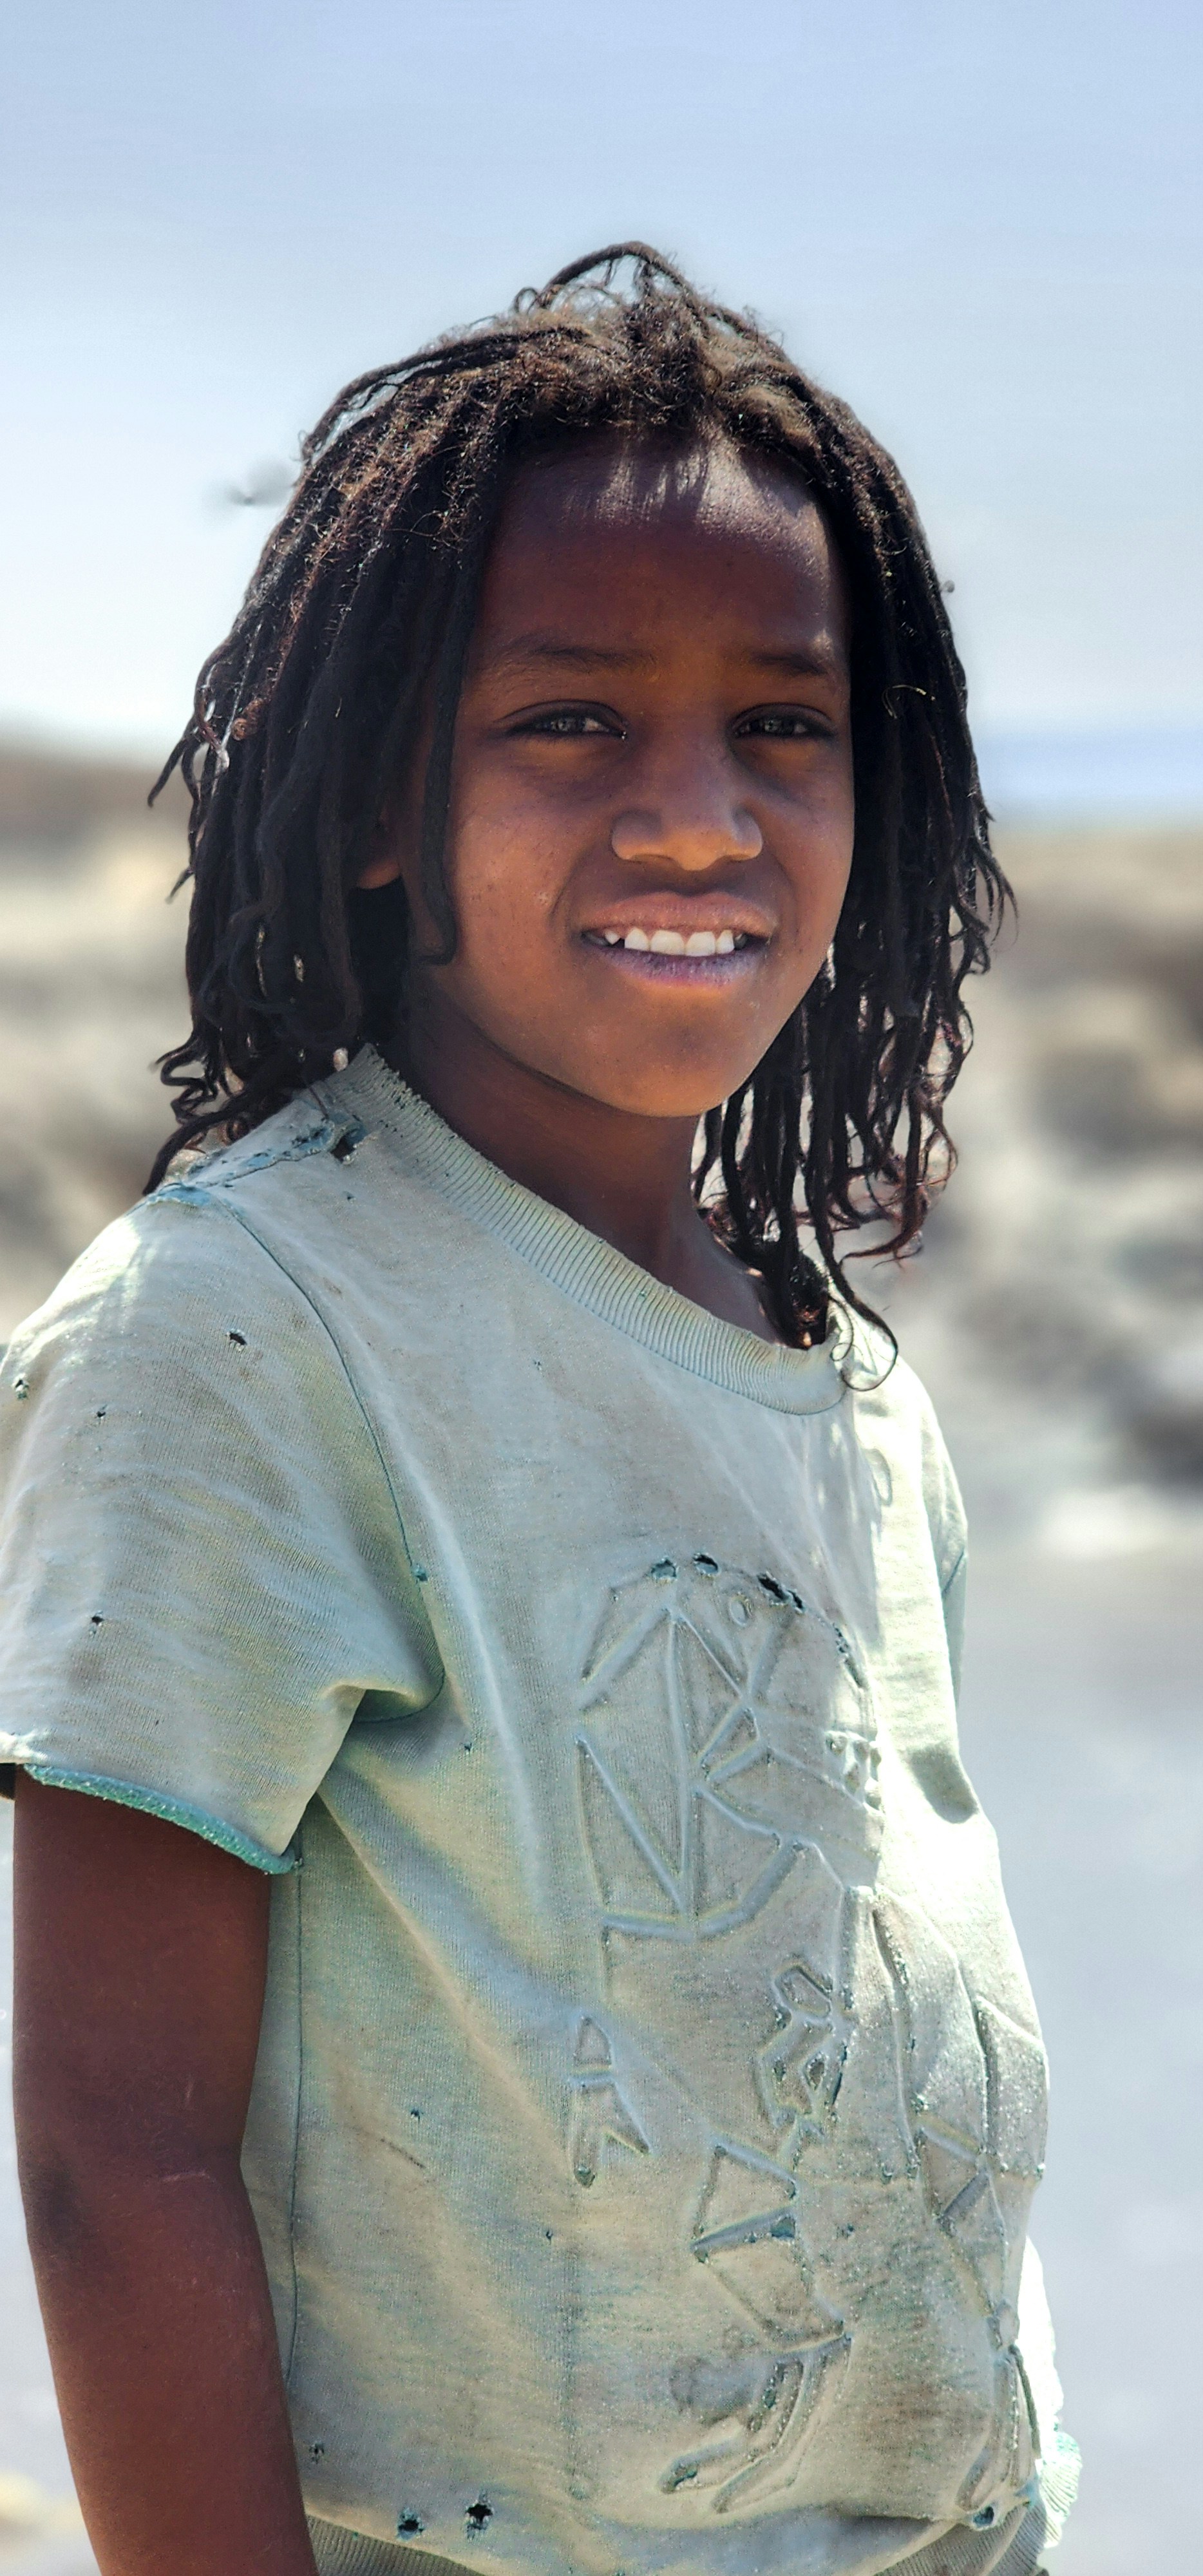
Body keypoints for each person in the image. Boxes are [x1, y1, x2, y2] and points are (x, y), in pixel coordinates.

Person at [1, 246, 1078, 2576]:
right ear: (381, 806)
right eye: (572, 722)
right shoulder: (246, 1331)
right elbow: (115, 2153)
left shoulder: (841, 1382)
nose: (697, 816)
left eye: (782, 728)